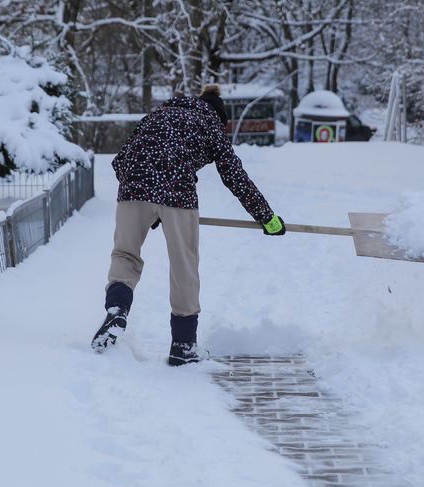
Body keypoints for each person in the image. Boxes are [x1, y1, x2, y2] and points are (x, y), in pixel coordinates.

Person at [91, 84, 286, 365]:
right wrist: (267, 218)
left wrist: (146, 200)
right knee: (184, 264)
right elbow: (234, 175)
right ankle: (183, 345)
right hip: (177, 193)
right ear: (221, 117)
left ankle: (117, 308)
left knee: (125, 254)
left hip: (132, 188)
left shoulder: (158, 115)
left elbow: (119, 161)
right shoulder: (211, 124)